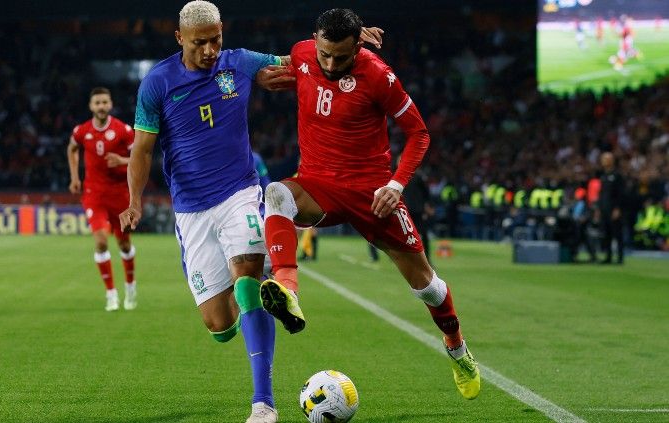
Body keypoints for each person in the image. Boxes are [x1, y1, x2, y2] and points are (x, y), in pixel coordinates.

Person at [119, 3, 383, 421]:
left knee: (247, 278)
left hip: (240, 192)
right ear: (179, 38)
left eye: (215, 40)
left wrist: (352, 37)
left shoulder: (238, 62)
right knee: (219, 327)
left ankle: (264, 404)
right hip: (191, 210)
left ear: (223, 32)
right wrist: (133, 201)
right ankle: (254, 303)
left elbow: (303, 57)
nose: (209, 50)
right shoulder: (156, 84)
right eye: (199, 42)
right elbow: (142, 150)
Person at [259, 8, 480, 400]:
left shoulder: (379, 76)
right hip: (317, 183)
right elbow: (294, 70)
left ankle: (458, 348)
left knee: (427, 287)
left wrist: (396, 184)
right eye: (324, 54)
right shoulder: (302, 54)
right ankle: (288, 288)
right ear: (315, 40)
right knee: (276, 193)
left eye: (340, 57)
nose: (329, 64)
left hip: (373, 194)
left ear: (358, 45)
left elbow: (419, 134)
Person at [67, 87, 137, 312]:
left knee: (124, 244)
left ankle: (130, 287)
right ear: (91, 106)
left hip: (120, 195)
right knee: (100, 242)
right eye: (97, 102)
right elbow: (72, 149)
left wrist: (122, 161)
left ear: (110, 104)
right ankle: (111, 294)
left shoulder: (123, 130)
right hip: (93, 194)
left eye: (104, 102)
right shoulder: (82, 131)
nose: (101, 106)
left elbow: (139, 157)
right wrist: (75, 177)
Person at [597, 151, 625, 264]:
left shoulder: (617, 175)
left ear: (611, 160)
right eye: (603, 159)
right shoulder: (603, 176)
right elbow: (601, 193)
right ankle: (608, 256)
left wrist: (617, 208)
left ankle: (620, 257)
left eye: (606, 159)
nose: (603, 161)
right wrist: (599, 208)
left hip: (613, 209)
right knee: (606, 234)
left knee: (617, 233)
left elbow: (621, 193)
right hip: (604, 209)